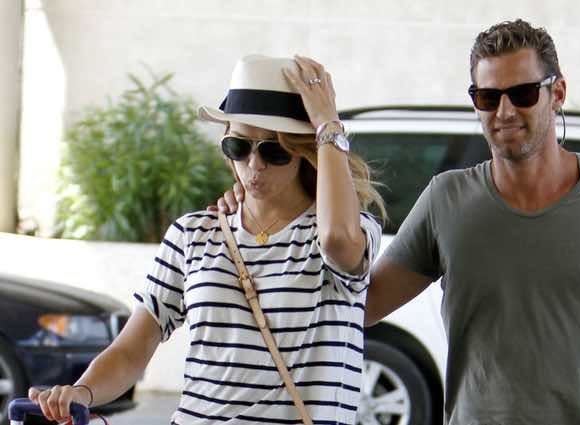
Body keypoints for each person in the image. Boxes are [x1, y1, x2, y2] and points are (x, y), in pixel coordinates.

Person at [219, 21, 580, 425]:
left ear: (556, 93)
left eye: (522, 94)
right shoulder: (449, 199)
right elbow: (353, 307)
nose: (504, 111)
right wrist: (261, 217)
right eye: (486, 96)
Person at [29, 54, 384, 424]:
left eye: (274, 150)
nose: (254, 165)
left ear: (304, 151)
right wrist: (82, 392)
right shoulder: (192, 233)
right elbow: (134, 347)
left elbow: (338, 240)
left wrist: (329, 127)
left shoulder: (348, 231)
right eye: (239, 147)